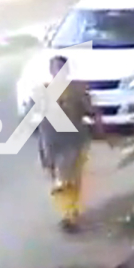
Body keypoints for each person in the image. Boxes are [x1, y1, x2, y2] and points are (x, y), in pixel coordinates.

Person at [37, 55, 105, 232]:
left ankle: (70, 215)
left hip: (73, 141)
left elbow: (93, 113)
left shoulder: (77, 89)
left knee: (70, 179)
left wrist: (99, 128)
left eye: (60, 69)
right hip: (54, 142)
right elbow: (40, 123)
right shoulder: (45, 91)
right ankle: (68, 214)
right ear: (51, 71)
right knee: (63, 180)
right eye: (55, 69)